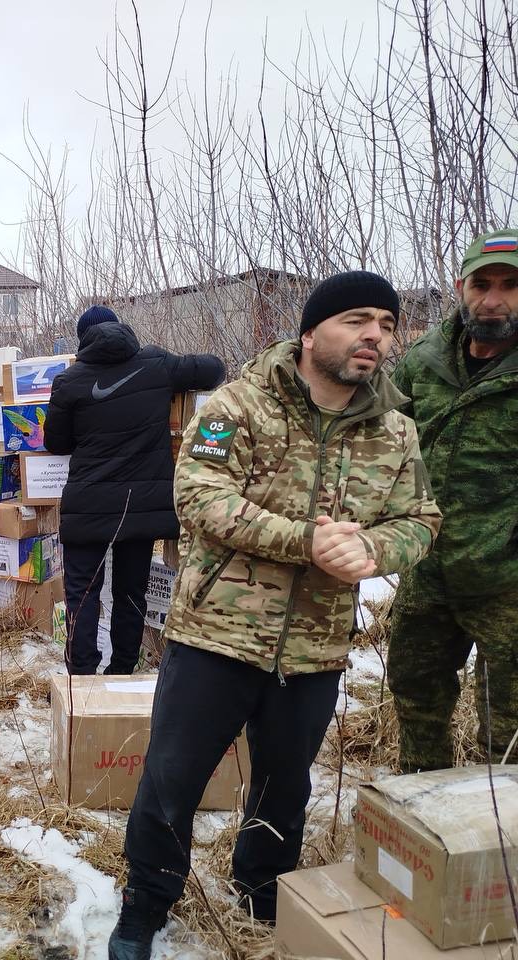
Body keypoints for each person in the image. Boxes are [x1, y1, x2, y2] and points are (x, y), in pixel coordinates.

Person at [107, 271, 441, 960]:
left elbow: (421, 519)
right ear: (312, 332)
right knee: (173, 779)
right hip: (217, 637)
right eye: (356, 319)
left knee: (286, 786)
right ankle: (146, 905)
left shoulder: (395, 431)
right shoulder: (239, 407)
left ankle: (264, 892)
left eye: (385, 321)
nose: (374, 334)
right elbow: (198, 496)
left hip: (315, 647)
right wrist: (305, 540)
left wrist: (375, 549)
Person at [388, 229, 518, 773]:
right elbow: (383, 439)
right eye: (481, 284)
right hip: (427, 570)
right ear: (460, 286)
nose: (493, 299)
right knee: (415, 697)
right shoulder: (424, 360)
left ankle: (494, 844)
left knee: (509, 733)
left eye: (511, 285)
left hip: (506, 583)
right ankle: (419, 815)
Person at [45, 304, 225, 675]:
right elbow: (214, 370)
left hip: (87, 505)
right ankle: (122, 671)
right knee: (130, 594)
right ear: (123, 330)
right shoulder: (156, 364)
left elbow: (56, 443)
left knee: (82, 595)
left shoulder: (70, 380)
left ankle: (81, 676)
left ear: (82, 341)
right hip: (138, 508)